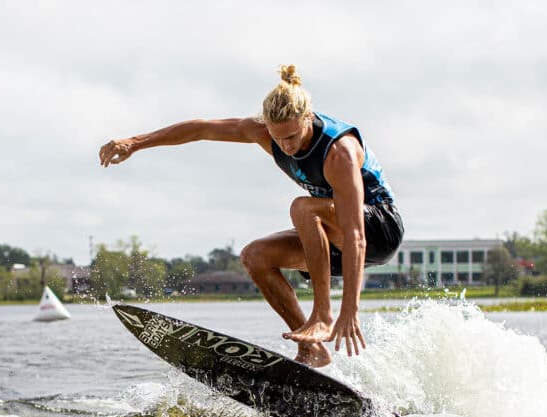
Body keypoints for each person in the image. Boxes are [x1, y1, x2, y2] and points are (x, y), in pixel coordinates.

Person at [99, 65, 403, 368]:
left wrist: (350, 308)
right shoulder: (262, 132)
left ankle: (322, 316)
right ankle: (312, 349)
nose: (286, 146)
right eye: (278, 138)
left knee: (303, 207)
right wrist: (135, 143)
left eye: (293, 136)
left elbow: (355, 235)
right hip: (331, 231)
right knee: (255, 256)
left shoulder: (339, 153)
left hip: (378, 230)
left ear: (308, 118)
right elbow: (200, 129)